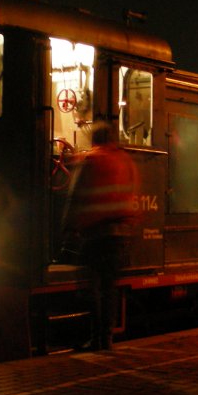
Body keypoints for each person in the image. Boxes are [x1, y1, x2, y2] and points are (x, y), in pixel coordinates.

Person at [63, 121, 140, 350]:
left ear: (94, 140)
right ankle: (106, 337)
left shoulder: (91, 160)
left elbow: (75, 196)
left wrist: (67, 227)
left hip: (96, 234)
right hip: (120, 234)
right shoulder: (126, 161)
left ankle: (95, 337)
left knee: (92, 286)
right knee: (109, 288)